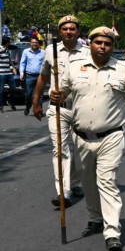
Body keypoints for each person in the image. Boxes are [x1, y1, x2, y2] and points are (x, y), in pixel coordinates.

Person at [50, 26, 125, 251]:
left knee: (106, 181)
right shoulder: (73, 68)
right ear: (91, 44)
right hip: (81, 136)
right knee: (88, 183)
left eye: (107, 44)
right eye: (98, 43)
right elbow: (63, 94)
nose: (103, 47)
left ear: (113, 47)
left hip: (112, 136)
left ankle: (112, 231)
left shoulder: (124, 69)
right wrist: (56, 96)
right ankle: (95, 219)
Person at [33, 15, 87, 207]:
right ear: (60, 31)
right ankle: (63, 192)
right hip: (58, 109)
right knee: (61, 150)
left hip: (82, 109)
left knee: (80, 151)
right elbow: (43, 76)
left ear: (78, 31)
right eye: (65, 29)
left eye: (72, 29)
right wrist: (36, 100)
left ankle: (74, 182)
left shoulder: (88, 53)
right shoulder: (50, 50)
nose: (69, 32)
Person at [19, 37, 45, 115]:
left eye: (36, 42)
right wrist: (21, 73)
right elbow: (22, 63)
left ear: (38, 43)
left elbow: (45, 64)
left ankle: (39, 110)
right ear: (30, 43)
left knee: (39, 94)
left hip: (40, 76)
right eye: (33, 42)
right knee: (28, 95)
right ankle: (28, 106)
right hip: (29, 76)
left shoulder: (43, 52)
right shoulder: (26, 52)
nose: (34, 44)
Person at [0, 37, 17, 112]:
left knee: (13, 88)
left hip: (8, 72)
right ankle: (1, 106)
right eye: (9, 42)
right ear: (6, 43)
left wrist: (13, 68)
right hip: (1, 73)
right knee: (1, 90)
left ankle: (10, 101)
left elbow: (9, 59)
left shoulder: (7, 50)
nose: (10, 43)